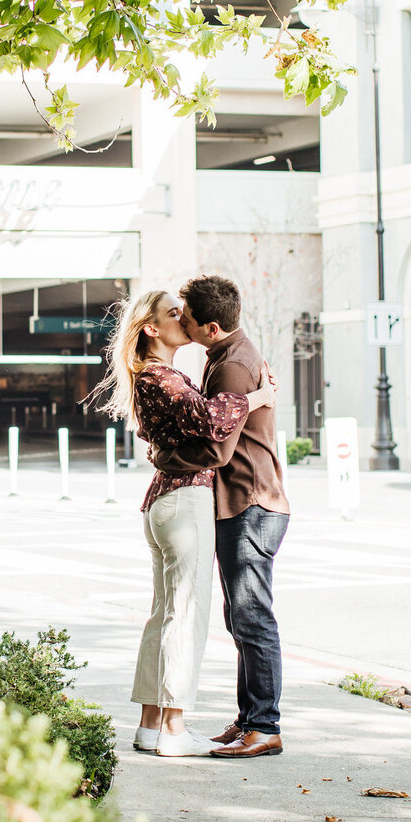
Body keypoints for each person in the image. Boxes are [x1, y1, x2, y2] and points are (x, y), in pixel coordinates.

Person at [100, 289, 277, 757]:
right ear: (151, 329)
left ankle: (151, 725)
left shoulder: (159, 375)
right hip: (184, 502)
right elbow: (211, 420)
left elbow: (183, 430)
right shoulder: (160, 376)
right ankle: (175, 731)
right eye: (173, 314)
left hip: (167, 502)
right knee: (185, 616)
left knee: (164, 615)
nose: (185, 319)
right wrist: (258, 396)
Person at [152, 273, 289, 759]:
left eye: (186, 318)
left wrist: (164, 457)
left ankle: (264, 725)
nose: (180, 322)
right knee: (241, 618)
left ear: (211, 327)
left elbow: (214, 448)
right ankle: (251, 717)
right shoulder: (226, 355)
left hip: (248, 504)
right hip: (243, 503)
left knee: (252, 618)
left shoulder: (232, 366)